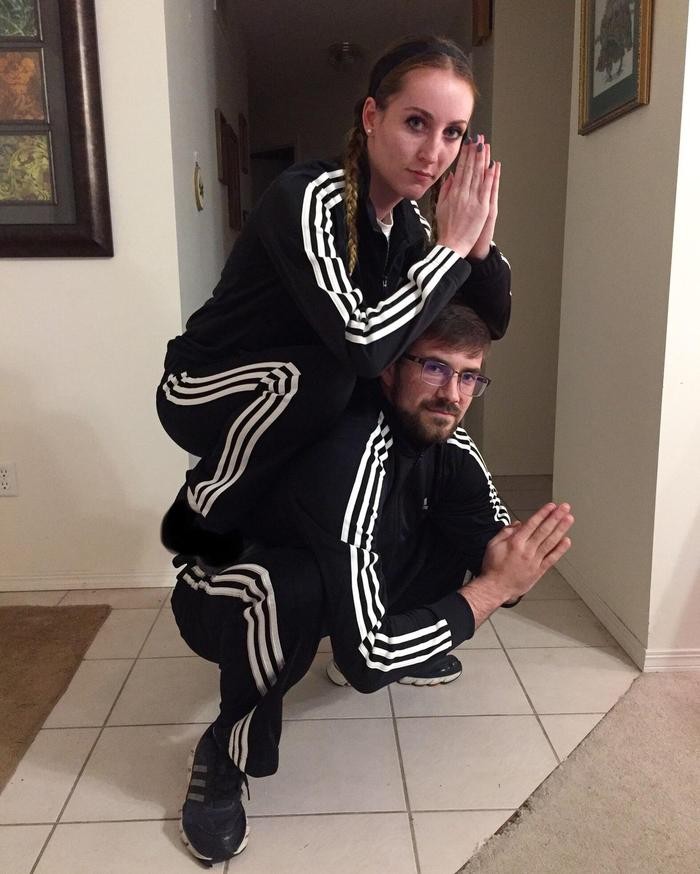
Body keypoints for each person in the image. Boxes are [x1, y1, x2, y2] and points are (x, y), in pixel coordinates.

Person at [170, 304, 574, 865]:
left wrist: (511, 568)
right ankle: (226, 750)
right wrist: (490, 590)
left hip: (327, 565)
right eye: (434, 367)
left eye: (469, 377)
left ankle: (379, 632)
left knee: (454, 534)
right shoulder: (350, 449)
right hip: (223, 588)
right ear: (389, 368)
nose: (451, 394)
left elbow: (499, 557)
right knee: (293, 589)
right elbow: (369, 663)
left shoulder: (451, 447)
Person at [156, 36, 511, 566]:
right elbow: (361, 345)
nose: (434, 153)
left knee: (391, 390)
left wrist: (478, 249)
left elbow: (486, 325)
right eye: (416, 122)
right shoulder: (308, 197)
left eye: (452, 133)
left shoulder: (408, 226)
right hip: (201, 387)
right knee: (336, 377)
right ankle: (197, 515)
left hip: (298, 392)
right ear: (372, 117)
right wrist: (451, 248)